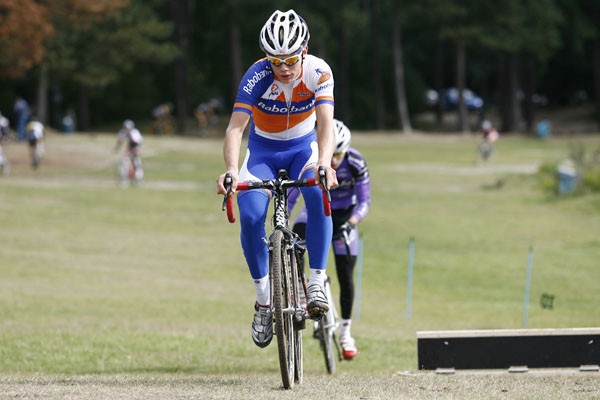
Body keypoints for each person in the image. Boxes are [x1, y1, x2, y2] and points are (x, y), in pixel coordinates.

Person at [215, 9, 338, 349]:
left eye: (289, 60)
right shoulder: (256, 76)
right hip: (263, 153)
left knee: (318, 191)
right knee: (251, 217)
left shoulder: (319, 71)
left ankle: (315, 281)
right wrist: (230, 169)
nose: (282, 68)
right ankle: (264, 300)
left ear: (305, 51)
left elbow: (326, 123)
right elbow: (235, 128)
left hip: (303, 149)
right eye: (275, 61)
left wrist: (326, 162)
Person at [288, 119, 370, 360]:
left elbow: (365, 201)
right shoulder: (311, 160)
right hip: (316, 212)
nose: (333, 160)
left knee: (346, 274)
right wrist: (283, 215)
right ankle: (304, 294)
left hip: (345, 217)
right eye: (330, 154)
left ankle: (346, 332)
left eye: (338, 155)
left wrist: (352, 222)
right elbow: (293, 195)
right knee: (296, 238)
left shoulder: (355, 162)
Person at [115, 119, 144, 185]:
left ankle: (137, 180)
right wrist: (117, 148)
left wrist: (133, 151)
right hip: (130, 149)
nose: (126, 129)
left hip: (135, 149)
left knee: (137, 164)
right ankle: (125, 179)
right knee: (124, 164)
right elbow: (120, 141)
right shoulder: (123, 132)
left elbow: (137, 144)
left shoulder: (135, 133)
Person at [0, 111, 10, 175]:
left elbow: (5, 132)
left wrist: (4, 137)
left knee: (1, 157)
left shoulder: (3, 121)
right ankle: (6, 168)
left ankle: (6, 168)